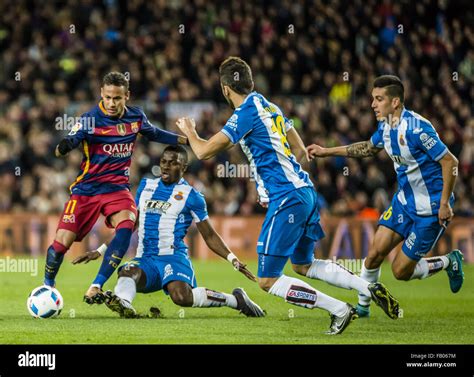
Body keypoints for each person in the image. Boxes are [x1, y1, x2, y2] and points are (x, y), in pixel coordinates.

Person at [176, 56, 399, 335]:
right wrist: (294, 158)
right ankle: (368, 286)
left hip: (288, 197)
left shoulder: (245, 112)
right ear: (251, 82)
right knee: (303, 265)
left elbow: (203, 152)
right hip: (305, 192)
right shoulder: (269, 105)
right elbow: (293, 136)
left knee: (267, 280)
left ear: (224, 89)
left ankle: (339, 309)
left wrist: (191, 132)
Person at [307, 75, 464, 318]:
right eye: (373, 99)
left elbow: (450, 162)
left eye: (379, 99)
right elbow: (368, 149)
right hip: (403, 202)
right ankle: (363, 307)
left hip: (430, 209)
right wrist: (326, 151)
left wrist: (444, 203)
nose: (373, 104)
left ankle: (448, 261)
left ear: (396, 103)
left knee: (401, 271)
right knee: (374, 253)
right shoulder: (385, 127)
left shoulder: (418, 129)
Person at [43, 72, 188, 304]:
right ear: (101, 93)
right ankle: (47, 285)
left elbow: (155, 134)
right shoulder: (90, 119)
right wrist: (65, 145)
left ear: (126, 96)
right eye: (108, 97)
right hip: (86, 190)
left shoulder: (136, 117)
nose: (112, 103)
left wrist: (185, 140)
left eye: (117, 98)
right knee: (61, 244)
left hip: (116, 189)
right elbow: (70, 139)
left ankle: (96, 284)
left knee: (128, 223)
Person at [73, 146, 264, 318]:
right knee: (127, 271)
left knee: (181, 297)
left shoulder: (192, 197)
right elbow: (130, 226)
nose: (166, 166)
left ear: (184, 168)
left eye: (173, 163)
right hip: (146, 259)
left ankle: (236, 300)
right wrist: (101, 250)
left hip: (173, 257)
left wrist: (233, 260)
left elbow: (210, 235)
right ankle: (123, 303)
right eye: (164, 162)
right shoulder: (146, 187)